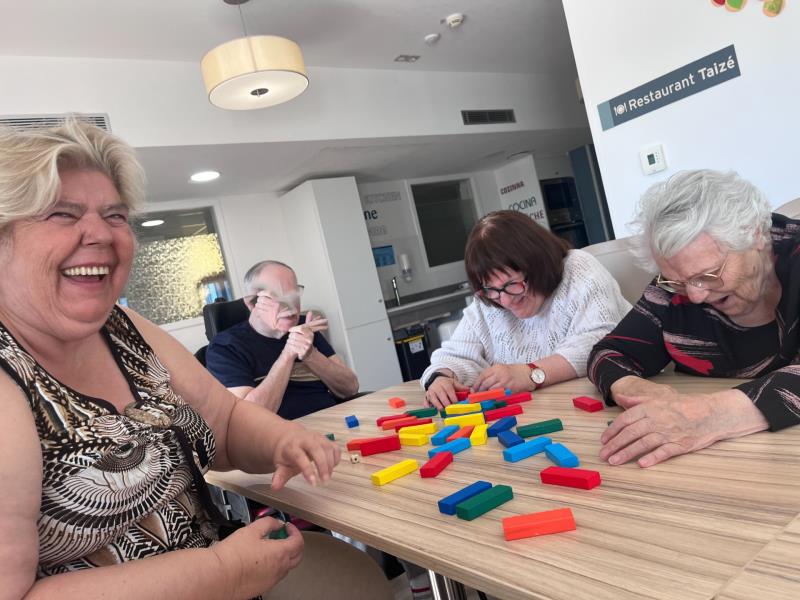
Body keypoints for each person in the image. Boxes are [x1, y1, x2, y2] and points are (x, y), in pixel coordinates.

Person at [0, 119, 387, 600]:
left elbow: (224, 422)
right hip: (223, 575)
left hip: (230, 565)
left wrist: (282, 439)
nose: (101, 233)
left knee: (358, 578)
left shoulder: (124, 326)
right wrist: (223, 572)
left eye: (115, 215)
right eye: (62, 213)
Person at [588, 169, 800, 469]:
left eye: (708, 274)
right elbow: (609, 352)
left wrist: (711, 414)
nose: (695, 296)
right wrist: (631, 387)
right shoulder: (673, 289)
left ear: (754, 234)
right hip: (715, 466)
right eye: (677, 281)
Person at [421, 209, 631, 409]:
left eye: (512, 284)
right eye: (492, 289)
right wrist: (441, 378)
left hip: (600, 406)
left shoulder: (579, 268)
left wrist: (531, 374)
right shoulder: (490, 298)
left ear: (540, 264)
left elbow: (600, 341)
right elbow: (456, 354)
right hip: (535, 415)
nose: (505, 300)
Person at [205, 260, 359, 419]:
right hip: (282, 432)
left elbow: (350, 388)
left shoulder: (304, 328)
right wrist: (288, 354)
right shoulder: (225, 347)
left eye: (294, 295)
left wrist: (311, 355)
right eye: (276, 297)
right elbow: (250, 418)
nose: (290, 307)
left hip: (332, 421)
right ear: (252, 304)